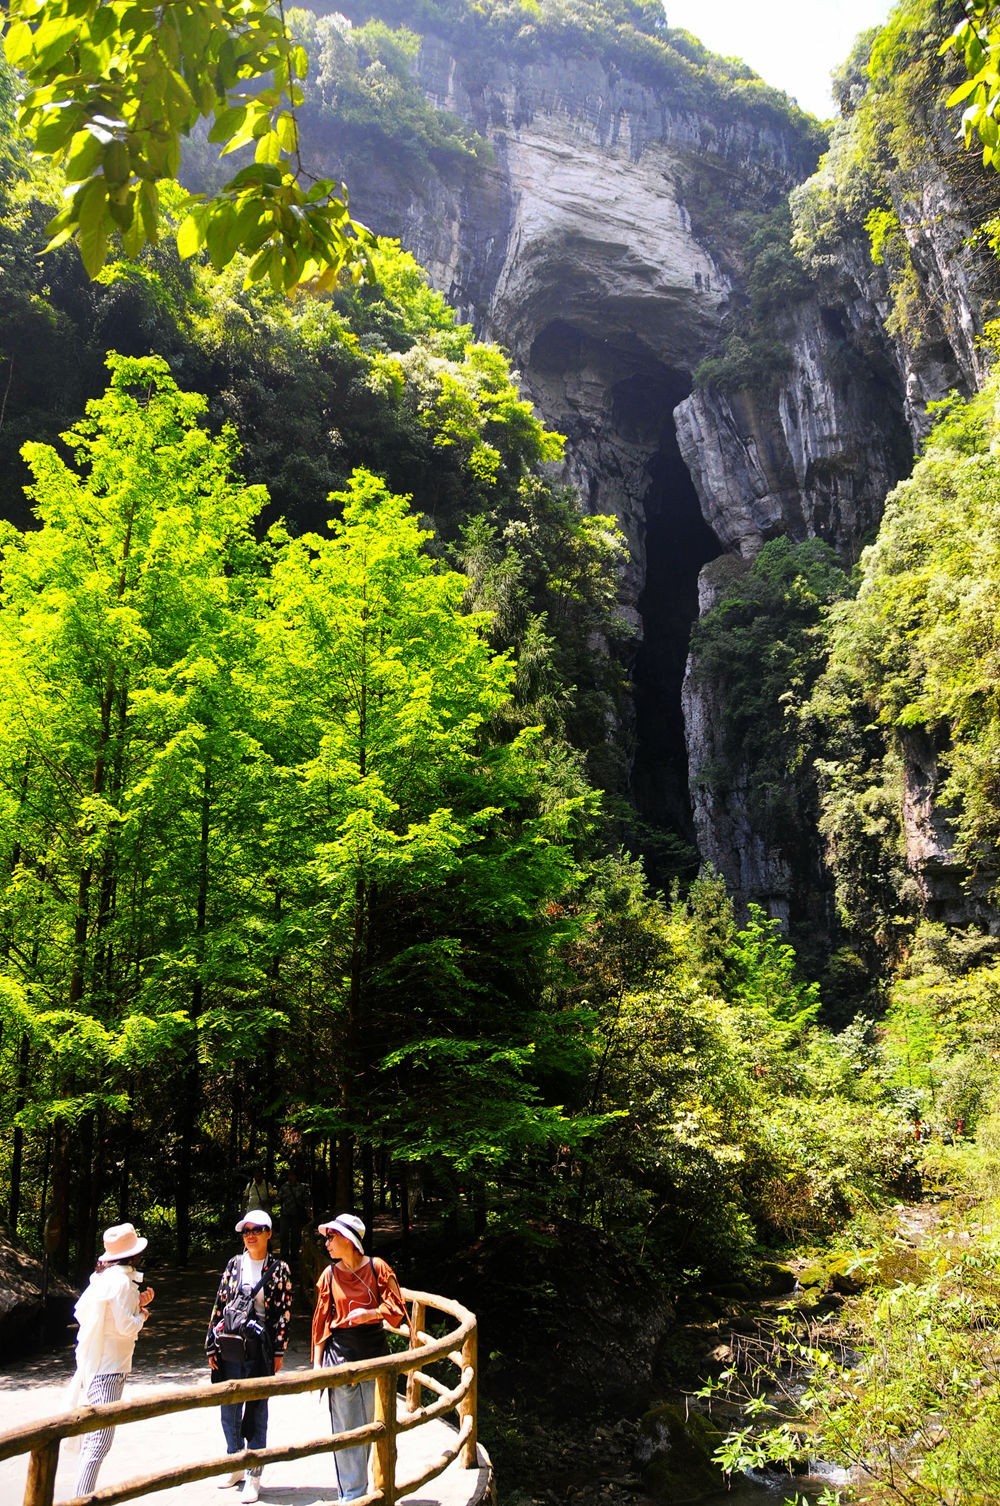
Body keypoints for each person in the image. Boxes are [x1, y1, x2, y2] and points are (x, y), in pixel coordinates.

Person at [311, 1213, 408, 1503]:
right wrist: (317, 1365)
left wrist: (371, 1314)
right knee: (344, 1429)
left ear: (349, 1240)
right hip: (340, 1356)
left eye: (332, 1237)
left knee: (372, 1425)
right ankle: (351, 1496)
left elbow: (396, 1309)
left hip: (375, 1355)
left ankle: (364, 1490)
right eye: (327, 1237)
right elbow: (321, 1322)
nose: (327, 1242)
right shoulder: (329, 1275)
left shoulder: (377, 1268)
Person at [206, 1210, 293, 1504]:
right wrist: (211, 1344)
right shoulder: (234, 1264)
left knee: (257, 1409)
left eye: (257, 1229)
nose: (250, 1234)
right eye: (246, 1230)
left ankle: (254, 1474)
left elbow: (283, 1312)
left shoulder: (279, 1268)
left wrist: (279, 1349)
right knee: (229, 1404)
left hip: (261, 1349)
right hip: (231, 1344)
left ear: (269, 1233)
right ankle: (234, 1462)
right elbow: (220, 1304)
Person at [68, 1222, 155, 1498]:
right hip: (109, 1370)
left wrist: (138, 1303)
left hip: (101, 1364)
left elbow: (113, 1315)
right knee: (100, 1441)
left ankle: (81, 1495)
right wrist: (143, 1316)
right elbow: (126, 1326)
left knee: (96, 1439)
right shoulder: (121, 1282)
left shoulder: (109, 1279)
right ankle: (81, 1498)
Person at [276, 1168, 311, 1281]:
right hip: (285, 1214)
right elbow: (279, 1198)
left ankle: (294, 1253)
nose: (291, 1178)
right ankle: (284, 1253)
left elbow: (306, 1200)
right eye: (290, 1175)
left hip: (296, 1215)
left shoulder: (301, 1187)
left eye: (293, 1175)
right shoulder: (284, 1187)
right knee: (283, 1234)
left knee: (296, 1235)